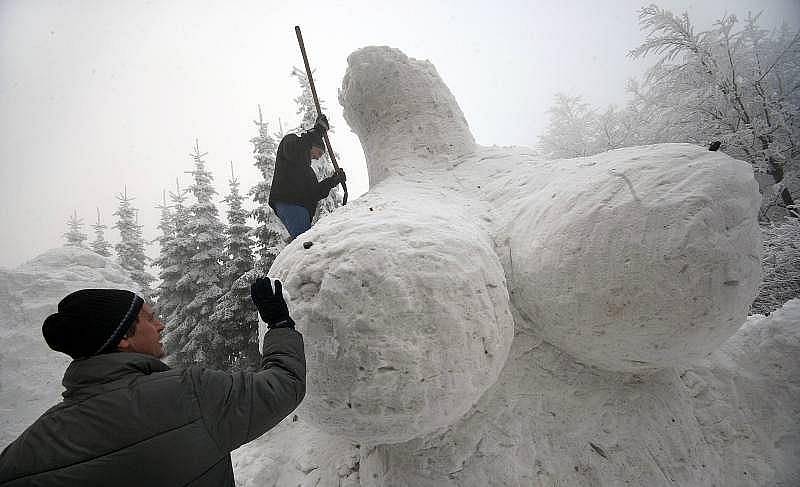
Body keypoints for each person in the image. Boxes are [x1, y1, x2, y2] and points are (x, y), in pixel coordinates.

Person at [0, 278, 304, 487]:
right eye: (149, 318)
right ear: (122, 338)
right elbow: (283, 384)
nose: (161, 324)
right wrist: (279, 323)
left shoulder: (29, 447)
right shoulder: (190, 394)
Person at [269, 114, 346, 239]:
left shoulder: (307, 171)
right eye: (320, 152)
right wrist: (316, 132)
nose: (318, 157)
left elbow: (315, 192)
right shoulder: (291, 141)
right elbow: (293, 150)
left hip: (299, 206)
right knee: (306, 243)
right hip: (291, 202)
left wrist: (333, 181)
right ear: (313, 145)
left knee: (305, 243)